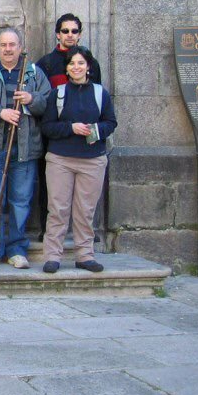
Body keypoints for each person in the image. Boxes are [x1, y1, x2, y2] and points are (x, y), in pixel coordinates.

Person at [0, 29, 51, 268]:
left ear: (20, 46)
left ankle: (17, 249)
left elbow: (47, 101)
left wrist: (31, 99)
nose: (8, 49)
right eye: (4, 45)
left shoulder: (34, 72)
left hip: (25, 148)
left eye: (12, 45)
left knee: (20, 201)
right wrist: (0, 112)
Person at [40, 46, 117, 274]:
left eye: (81, 63)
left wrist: (95, 130)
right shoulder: (58, 93)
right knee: (58, 209)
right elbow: (47, 127)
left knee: (85, 211)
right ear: (67, 68)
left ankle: (85, 255)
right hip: (60, 159)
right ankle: (53, 255)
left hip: (92, 160)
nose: (76, 67)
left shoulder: (100, 93)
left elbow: (111, 123)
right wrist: (71, 128)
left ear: (88, 67)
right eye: (72, 63)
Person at [36, 13, 103, 87]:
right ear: (58, 34)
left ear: (79, 35)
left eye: (74, 31)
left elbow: (97, 93)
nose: (70, 35)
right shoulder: (45, 63)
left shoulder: (91, 62)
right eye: (65, 31)